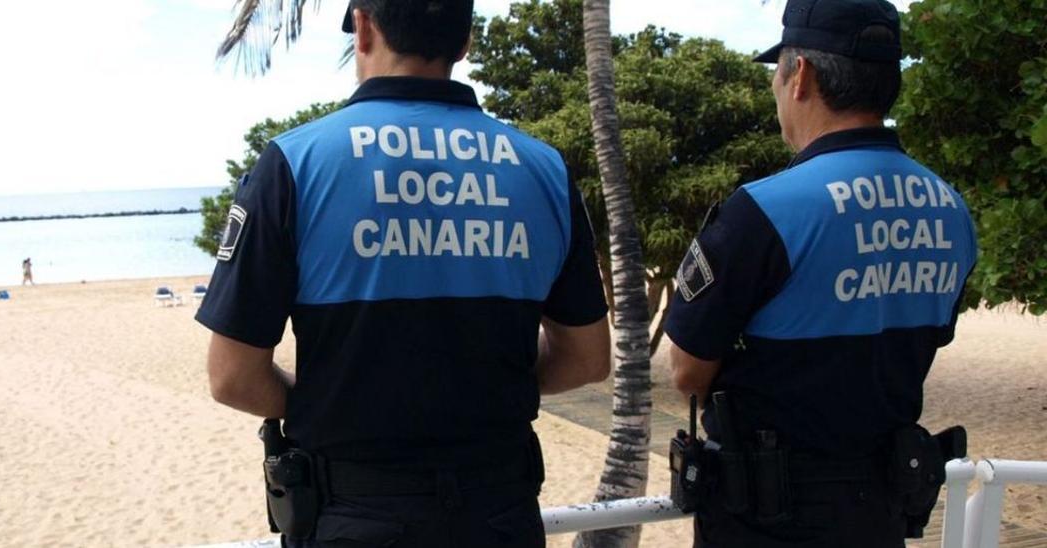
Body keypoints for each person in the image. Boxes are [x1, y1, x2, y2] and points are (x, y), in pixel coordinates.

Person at [195, 1, 611, 545]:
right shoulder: (543, 168)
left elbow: (232, 376)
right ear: (465, 44)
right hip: (500, 509)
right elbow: (587, 359)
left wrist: (340, 401)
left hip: (356, 510)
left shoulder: (297, 163)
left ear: (363, 27)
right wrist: (480, 388)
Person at [663, 1, 979, 546]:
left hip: (767, 518)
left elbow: (687, 372)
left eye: (777, 72)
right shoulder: (951, 208)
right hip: (881, 510)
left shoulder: (764, 210)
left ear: (800, 75)